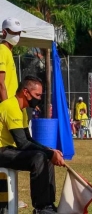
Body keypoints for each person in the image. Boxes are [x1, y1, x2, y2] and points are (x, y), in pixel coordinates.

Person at [0, 75, 65, 214]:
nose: (39, 99)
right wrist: (48, 153)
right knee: (39, 157)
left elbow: (28, 139)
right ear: (25, 92)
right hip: (1, 150)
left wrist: (49, 150)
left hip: (8, 149)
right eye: (37, 95)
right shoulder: (11, 106)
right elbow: (22, 144)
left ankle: (48, 204)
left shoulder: (21, 109)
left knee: (45, 156)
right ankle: (40, 208)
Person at [1, 17, 30, 210]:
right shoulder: (2, 50)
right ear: (4, 32)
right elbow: (0, 82)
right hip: (7, 112)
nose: (16, 36)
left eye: (19, 33)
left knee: (13, 152)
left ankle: (10, 197)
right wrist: (5, 107)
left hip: (13, 110)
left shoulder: (9, 52)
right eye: (13, 32)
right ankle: (7, 198)